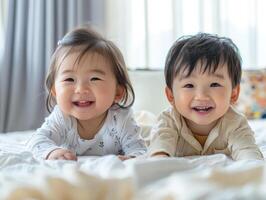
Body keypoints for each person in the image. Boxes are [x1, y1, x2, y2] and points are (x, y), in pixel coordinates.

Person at [27, 26, 146, 161]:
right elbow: (37, 141)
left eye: (94, 78)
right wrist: (52, 151)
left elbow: (140, 150)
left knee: (147, 130)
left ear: (117, 91)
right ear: (55, 91)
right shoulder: (62, 117)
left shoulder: (120, 119)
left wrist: (130, 158)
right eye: (69, 79)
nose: (81, 89)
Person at [147, 33, 263, 160]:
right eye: (189, 85)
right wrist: (160, 157)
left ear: (234, 94)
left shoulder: (235, 123)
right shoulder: (169, 121)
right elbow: (158, 152)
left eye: (214, 84)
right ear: (171, 95)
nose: (201, 96)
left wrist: (251, 165)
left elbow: (249, 155)